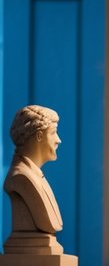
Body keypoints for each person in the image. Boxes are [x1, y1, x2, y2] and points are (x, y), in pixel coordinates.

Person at [3, 105, 65, 255]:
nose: (59, 140)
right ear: (39, 136)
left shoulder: (35, 176)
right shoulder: (20, 177)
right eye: (54, 133)